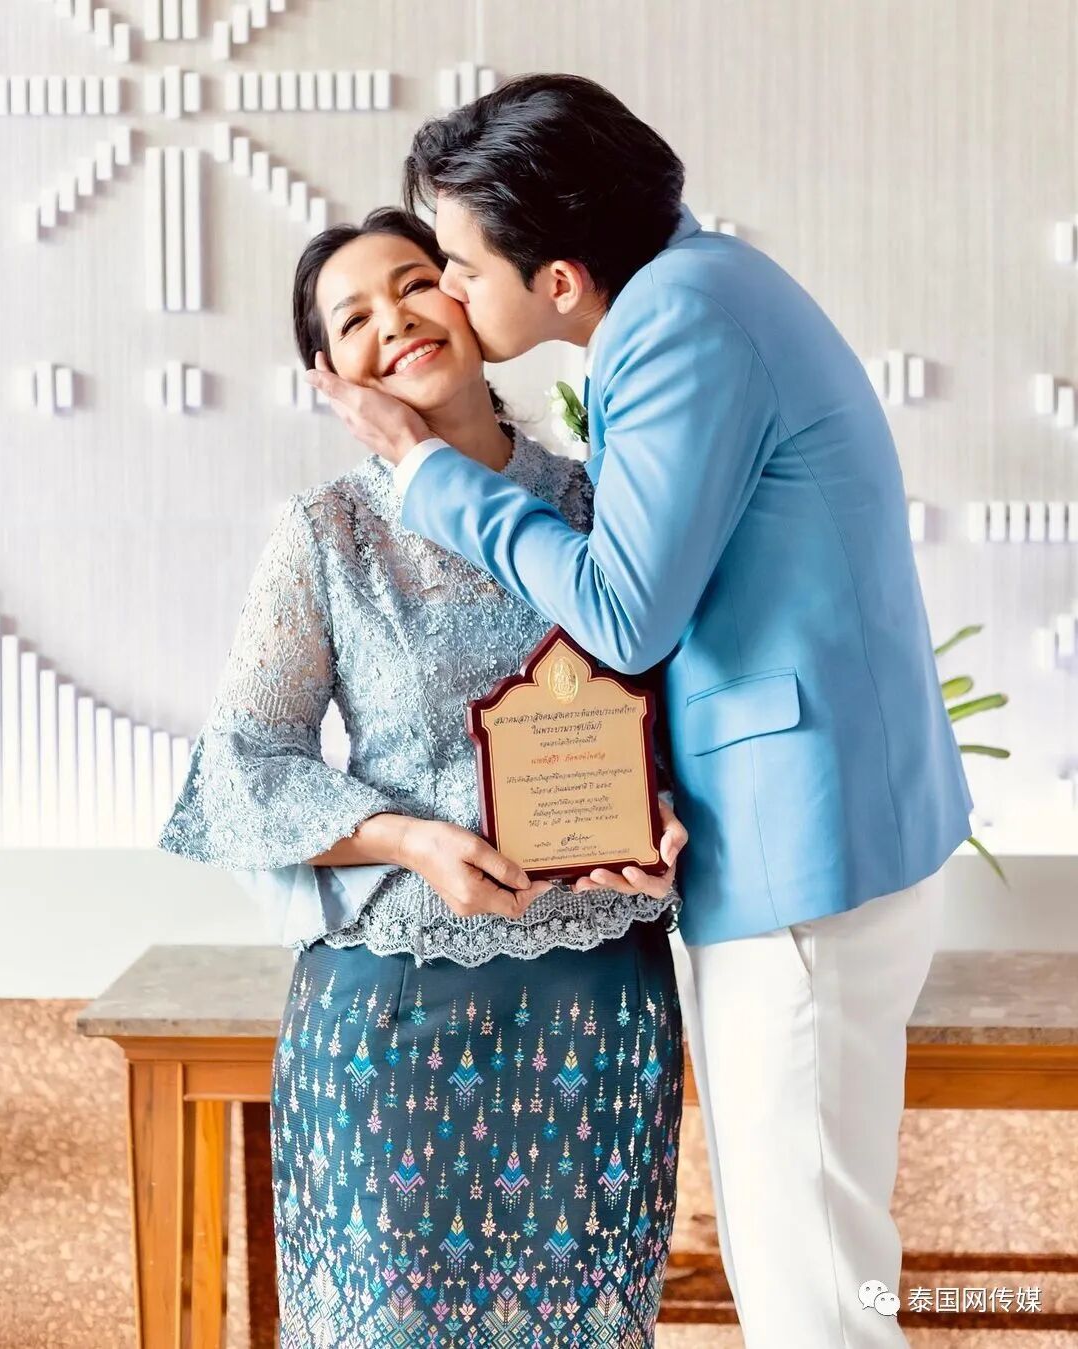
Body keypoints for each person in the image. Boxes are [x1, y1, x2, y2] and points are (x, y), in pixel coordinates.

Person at [304, 76, 975, 1348]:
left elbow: (624, 612)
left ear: (558, 279)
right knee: (808, 1257)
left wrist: (426, 469)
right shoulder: (700, 289)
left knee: (811, 1285)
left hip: (804, 849)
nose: (448, 296)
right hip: (802, 830)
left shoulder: (679, 324)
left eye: (457, 266)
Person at [158, 206, 689, 1347]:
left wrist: (668, 816)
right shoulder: (328, 534)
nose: (394, 321)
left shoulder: (603, 503)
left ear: (469, 292)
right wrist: (409, 839)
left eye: (413, 283)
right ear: (331, 373)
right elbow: (241, 768)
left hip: (596, 1000)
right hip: (394, 1004)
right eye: (353, 318)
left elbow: (682, 716)